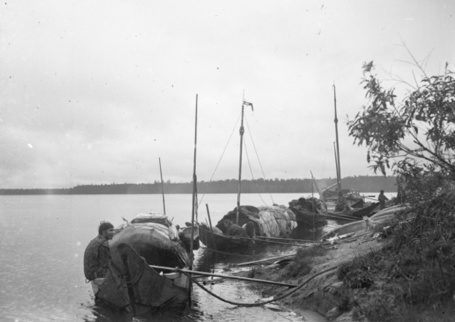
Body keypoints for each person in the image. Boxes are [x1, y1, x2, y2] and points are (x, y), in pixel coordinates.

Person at [83, 221, 115, 297]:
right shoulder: (103, 245)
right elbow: (106, 264)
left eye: (113, 230)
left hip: (91, 275)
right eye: (110, 230)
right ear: (103, 232)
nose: (113, 232)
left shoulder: (95, 240)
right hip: (97, 276)